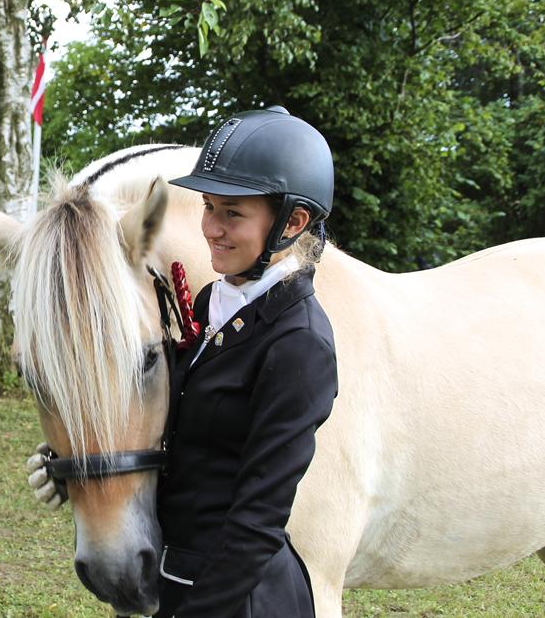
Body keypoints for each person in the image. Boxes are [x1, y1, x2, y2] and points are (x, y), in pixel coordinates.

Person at [27, 106, 339, 617]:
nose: (211, 229)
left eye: (232, 214)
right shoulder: (210, 304)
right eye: (209, 207)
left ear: (294, 222)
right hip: (181, 578)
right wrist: (75, 460)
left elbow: (257, 522)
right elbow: (171, 424)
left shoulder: (300, 345)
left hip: (240, 599)